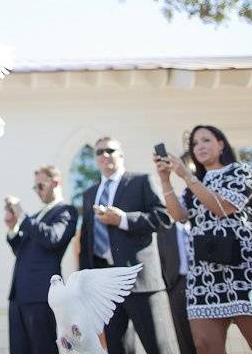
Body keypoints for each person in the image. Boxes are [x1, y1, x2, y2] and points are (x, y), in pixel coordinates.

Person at [155, 125, 252, 354]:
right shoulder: (194, 185)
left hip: (246, 268)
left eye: (206, 140)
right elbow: (179, 216)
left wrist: (187, 175)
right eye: (194, 144)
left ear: (221, 144)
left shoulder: (240, 170)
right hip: (205, 273)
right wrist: (165, 180)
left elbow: (223, 207)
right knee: (204, 345)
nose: (199, 147)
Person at [79, 137, 178, 354]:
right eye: (99, 152)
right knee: (117, 348)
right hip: (105, 285)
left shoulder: (141, 181)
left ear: (121, 155)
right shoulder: (89, 194)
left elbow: (164, 218)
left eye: (110, 150)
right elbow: (86, 240)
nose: (105, 155)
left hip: (141, 281)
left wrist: (123, 219)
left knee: (158, 347)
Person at [4, 165, 77, 354]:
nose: (37, 191)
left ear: (55, 182)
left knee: (42, 348)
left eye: (40, 186)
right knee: (19, 349)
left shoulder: (66, 211)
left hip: (42, 293)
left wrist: (22, 216)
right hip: (18, 294)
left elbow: (53, 239)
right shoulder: (36, 217)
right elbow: (21, 250)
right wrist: (12, 227)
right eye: (35, 187)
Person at [157, 220, 196, 354]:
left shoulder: (200, 219)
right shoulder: (163, 227)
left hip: (205, 281)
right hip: (177, 284)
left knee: (212, 339)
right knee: (185, 339)